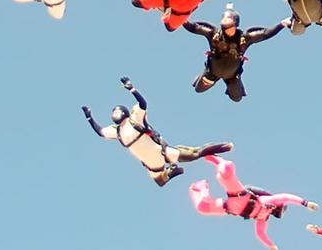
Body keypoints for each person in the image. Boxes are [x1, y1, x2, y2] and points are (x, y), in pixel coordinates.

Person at [86, 78, 232, 188]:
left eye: (116, 111)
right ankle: (171, 171)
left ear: (124, 112)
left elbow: (143, 104)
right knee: (160, 182)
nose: (114, 114)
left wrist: (132, 89)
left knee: (194, 154)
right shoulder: (117, 131)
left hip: (161, 152)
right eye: (113, 112)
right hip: (151, 164)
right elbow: (101, 132)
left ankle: (224, 146)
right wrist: (89, 118)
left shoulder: (134, 120)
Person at [189, 155, 318, 250]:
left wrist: (270, 245)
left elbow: (260, 233)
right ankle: (218, 160)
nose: (273, 212)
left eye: (276, 213)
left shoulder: (262, 219)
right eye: (277, 210)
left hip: (228, 207)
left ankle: (200, 186)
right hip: (239, 194)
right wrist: (305, 203)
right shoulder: (268, 201)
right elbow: (285, 197)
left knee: (202, 207)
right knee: (226, 172)